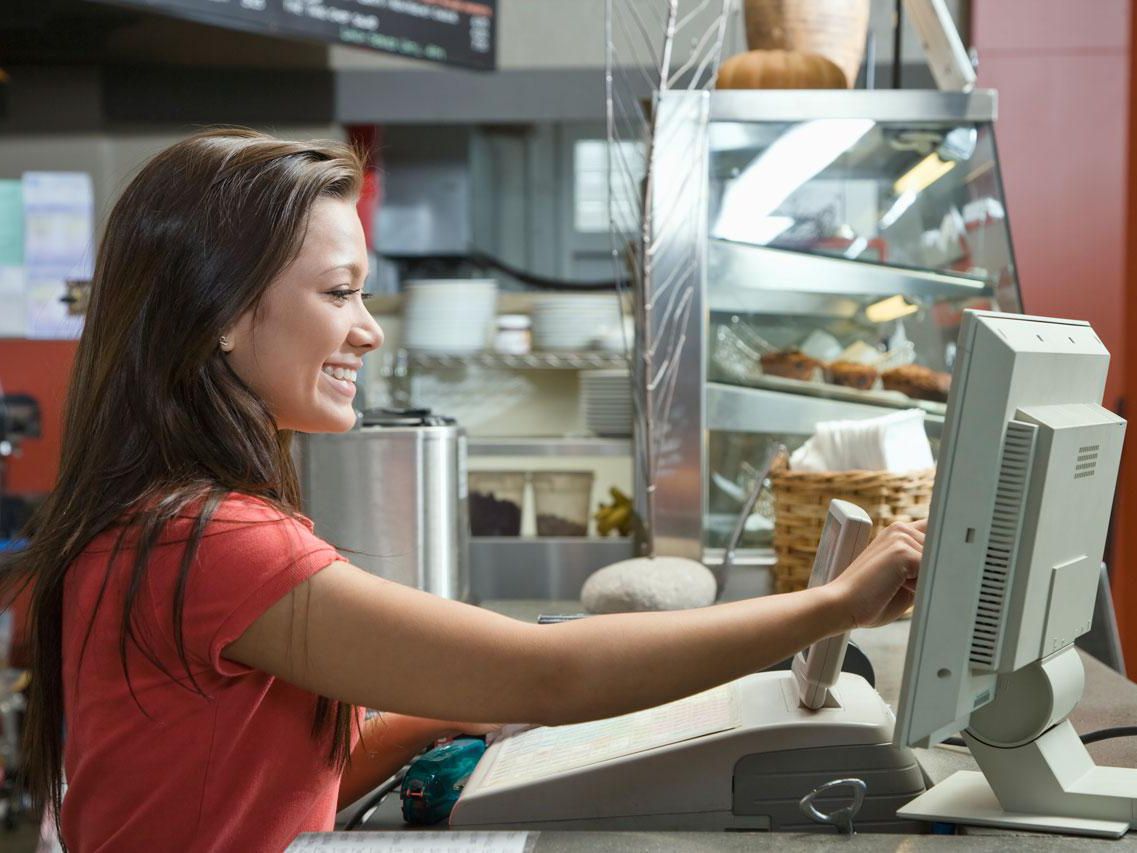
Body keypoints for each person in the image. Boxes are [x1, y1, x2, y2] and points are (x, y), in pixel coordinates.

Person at [5, 129, 924, 852]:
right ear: (221, 317)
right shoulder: (210, 541)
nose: (368, 331)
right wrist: (828, 602)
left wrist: (441, 708)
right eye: (339, 292)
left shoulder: (157, 520)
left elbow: (276, 778)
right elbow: (548, 672)